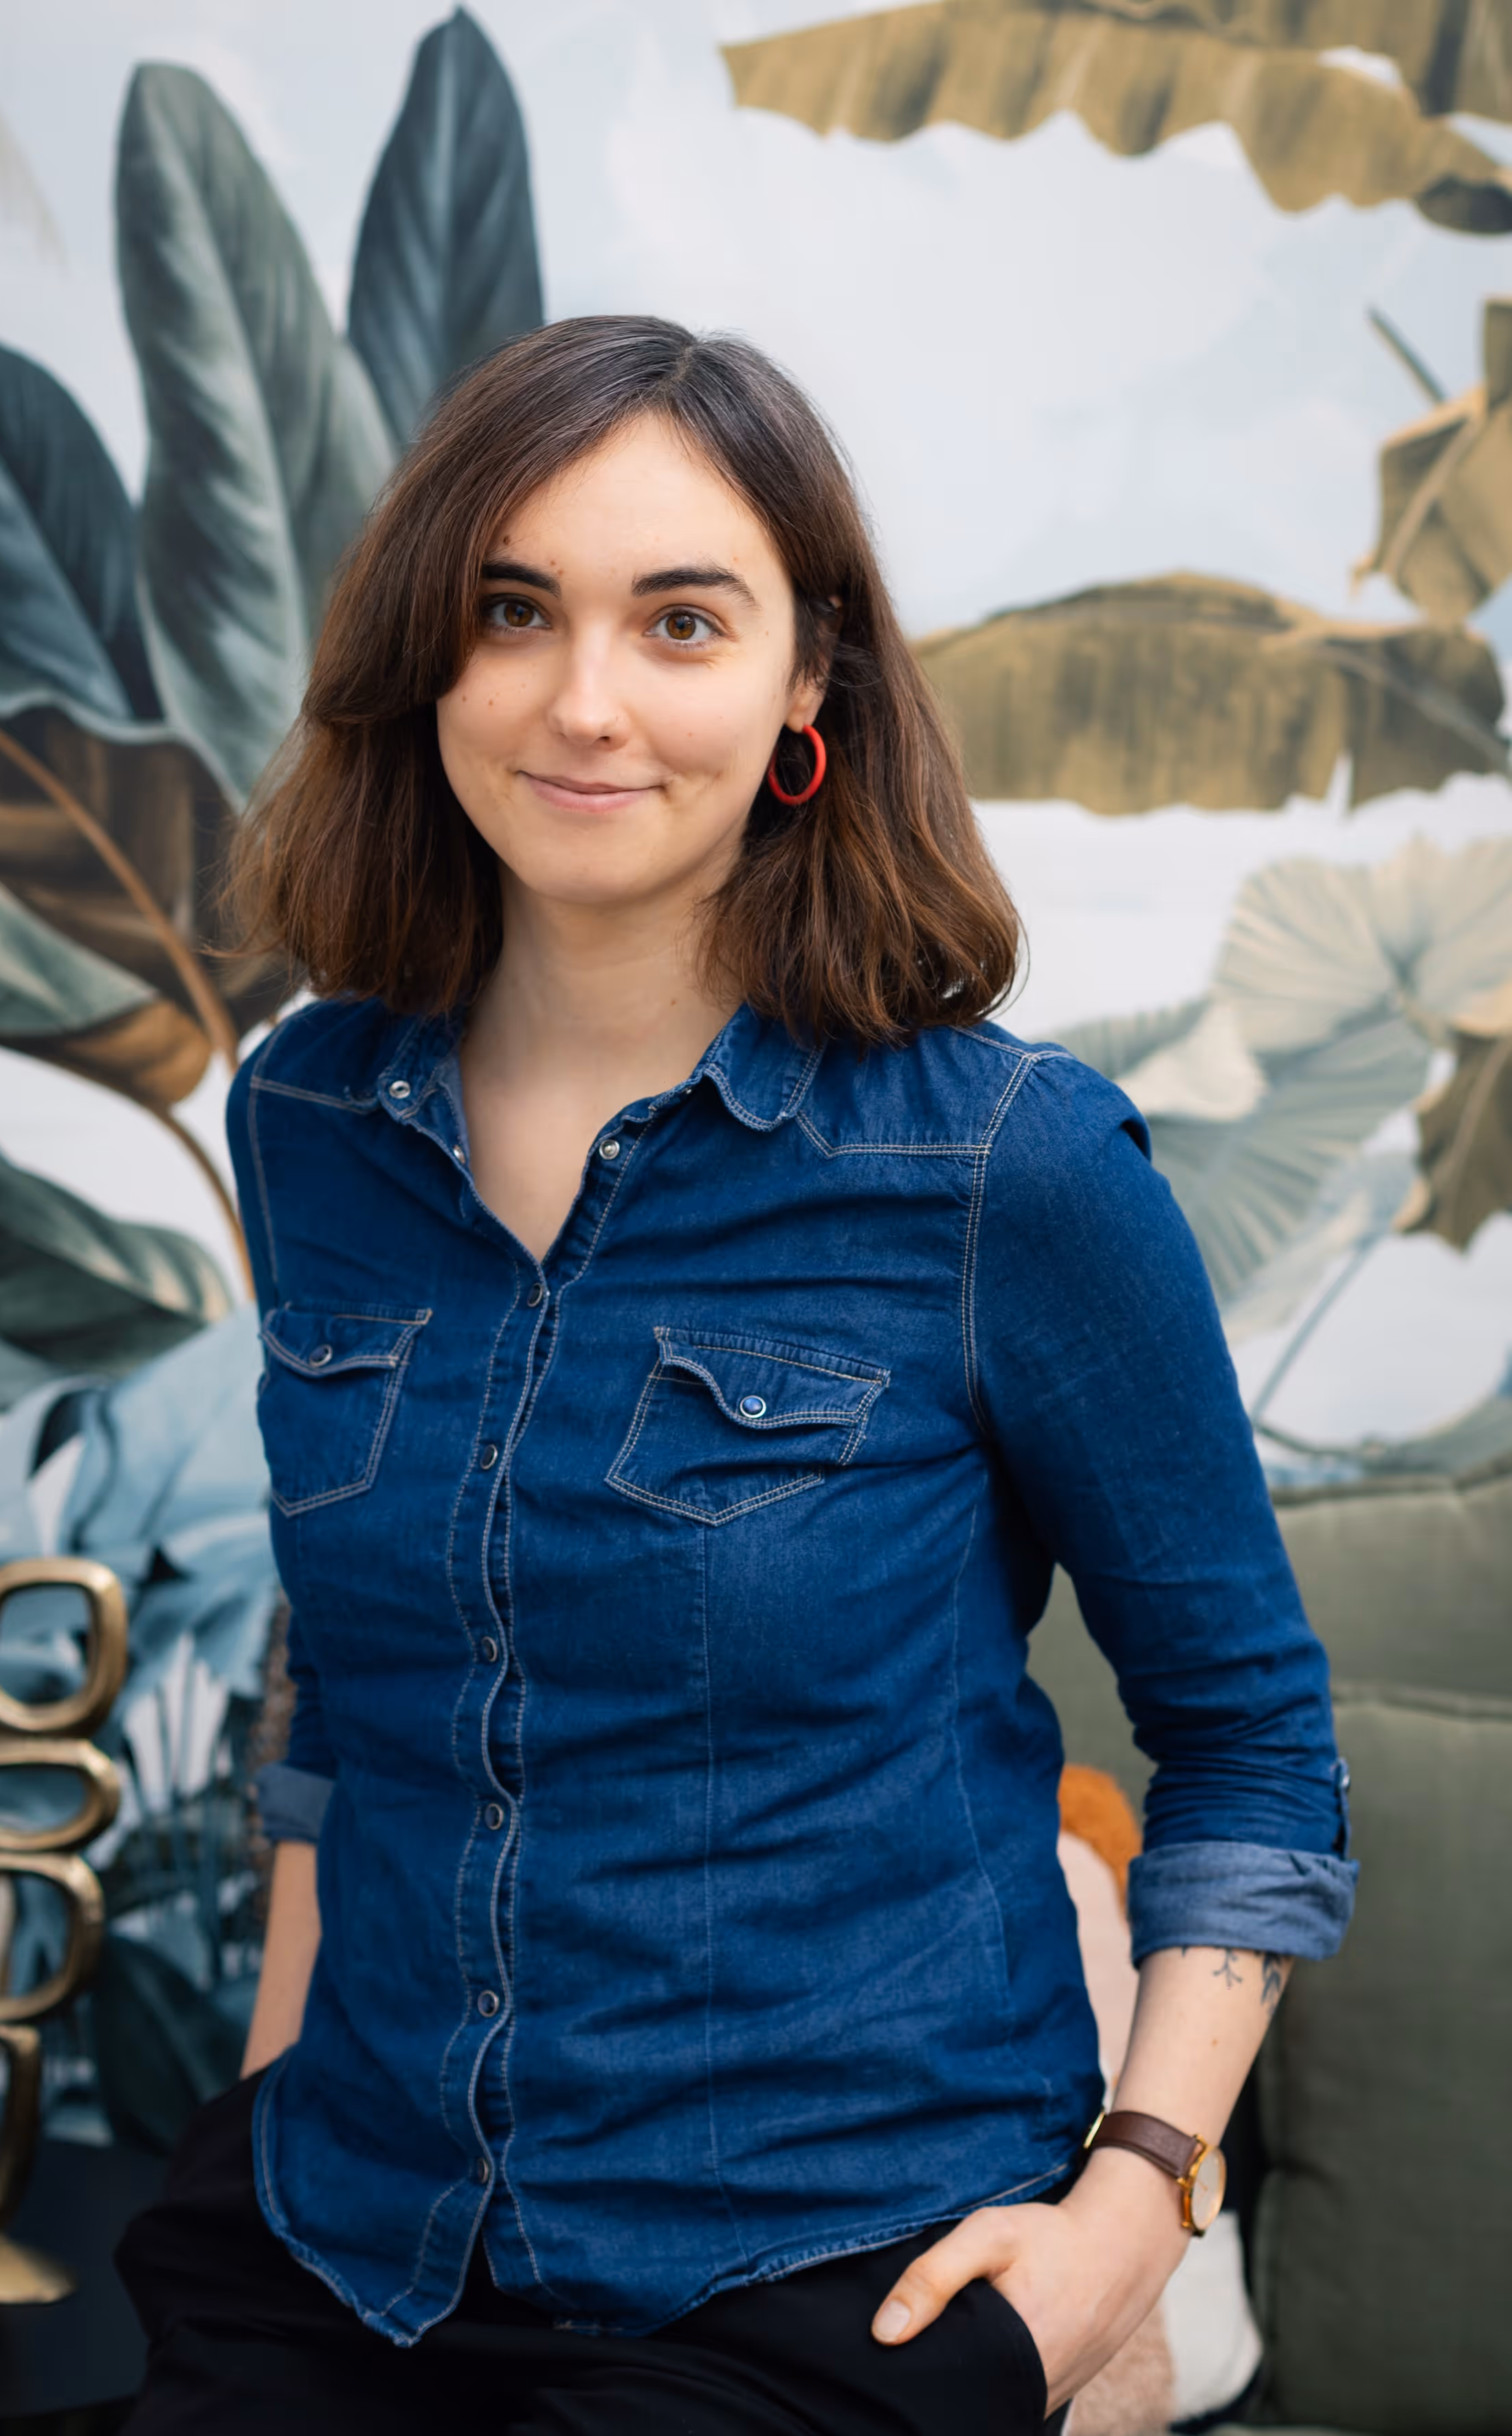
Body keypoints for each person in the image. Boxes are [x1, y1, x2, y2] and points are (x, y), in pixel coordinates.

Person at [115, 316, 1357, 2436]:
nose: (582, 700)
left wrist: (1133, 2210)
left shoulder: (1003, 1167)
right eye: (516, 612)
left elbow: (1248, 1739)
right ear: (433, 660)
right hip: (349, 2230)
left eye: (678, 620)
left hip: (826, 2264)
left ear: (806, 689)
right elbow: (355, 1691)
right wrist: (271, 2088)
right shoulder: (311, 1115)